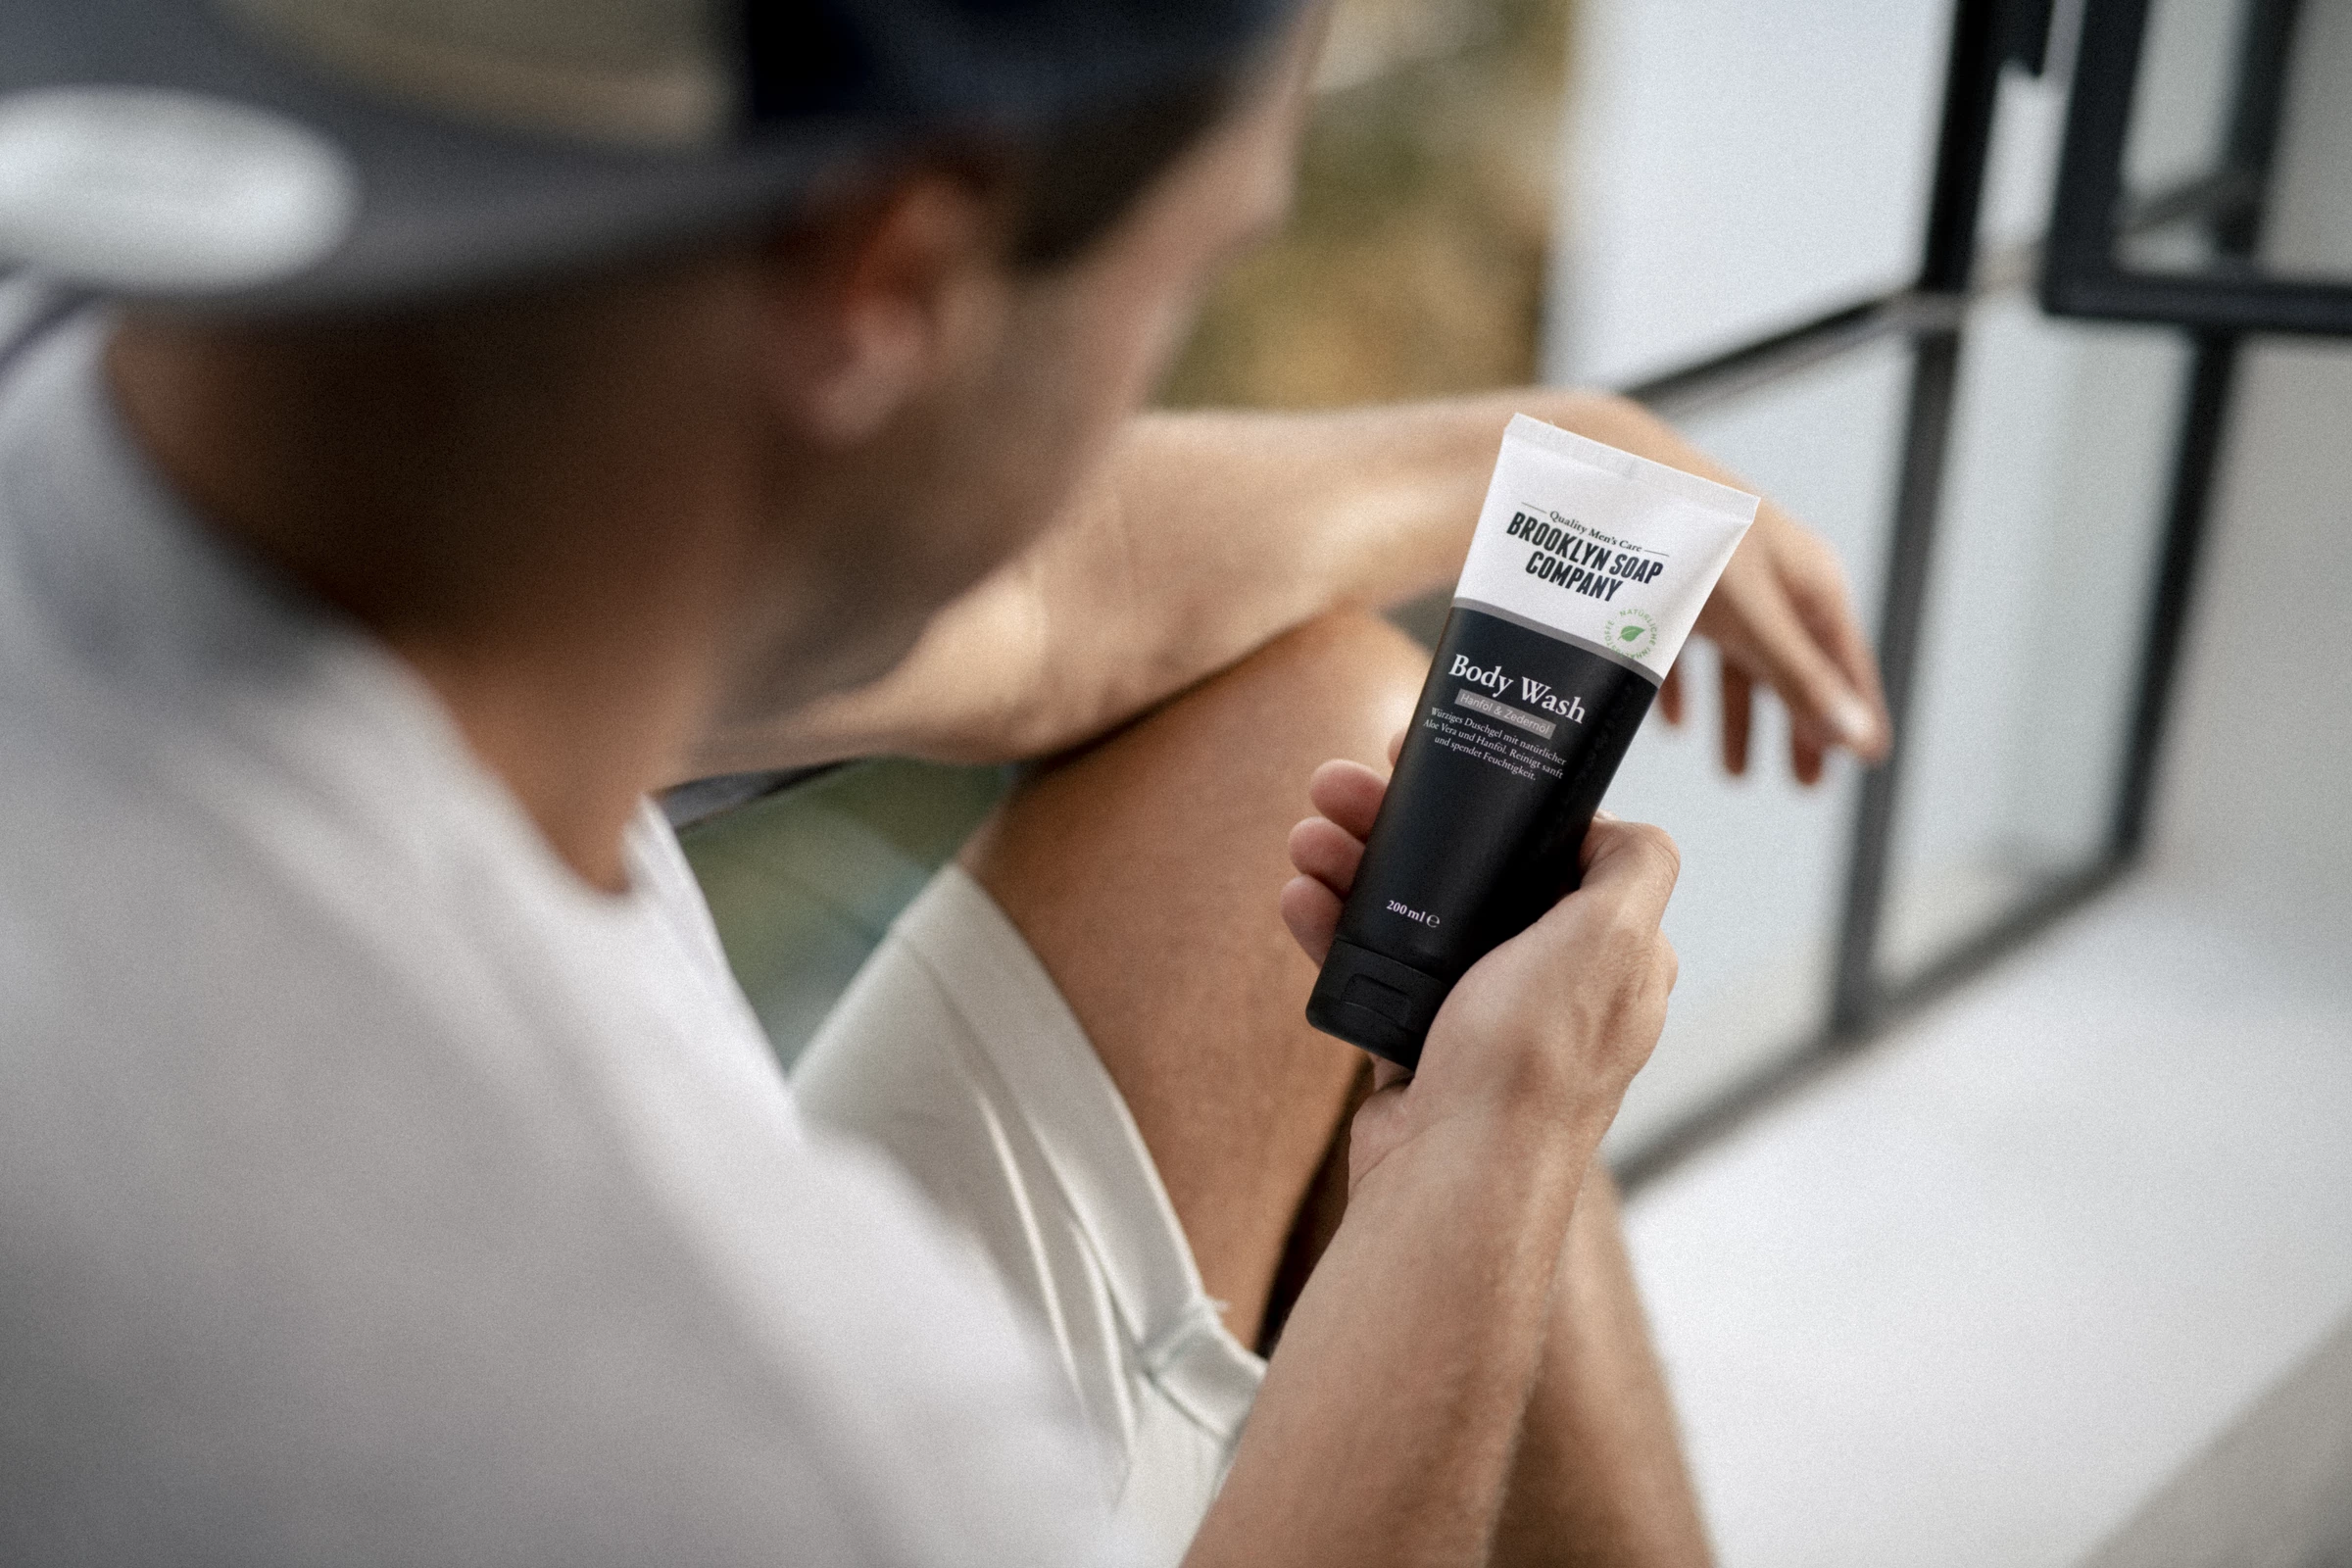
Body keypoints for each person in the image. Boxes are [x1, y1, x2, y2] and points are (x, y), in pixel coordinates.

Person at [0, 1, 1888, 1563]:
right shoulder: (782, 1428)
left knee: (1321, 719)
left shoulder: (114, 368)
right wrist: (1491, 1160)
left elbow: (1060, 603)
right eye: (1194, 270)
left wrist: (1533, 455)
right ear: (890, 272)